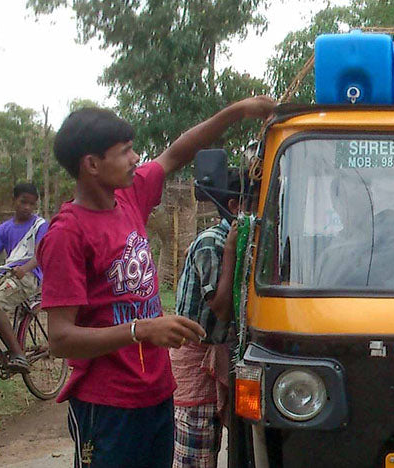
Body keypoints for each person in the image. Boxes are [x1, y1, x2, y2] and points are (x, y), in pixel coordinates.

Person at [37, 96, 275, 468]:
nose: (136, 159)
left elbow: (177, 152)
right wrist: (141, 330)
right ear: (92, 165)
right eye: (126, 151)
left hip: (157, 392)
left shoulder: (129, 196)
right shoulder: (67, 234)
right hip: (108, 406)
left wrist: (236, 111)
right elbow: (60, 338)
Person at [171, 170, 245, 468]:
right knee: (197, 451)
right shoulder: (212, 243)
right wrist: (229, 252)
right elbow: (222, 309)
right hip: (198, 357)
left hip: (221, 354)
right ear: (235, 207)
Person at [0, 182, 48, 374]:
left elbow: (40, 256)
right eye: (23, 202)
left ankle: (18, 355)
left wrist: (25, 268)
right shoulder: (3, 229)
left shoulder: (40, 225)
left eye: (32, 204)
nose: (27, 207)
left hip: (29, 276)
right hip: (7, 276)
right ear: (14, 201)